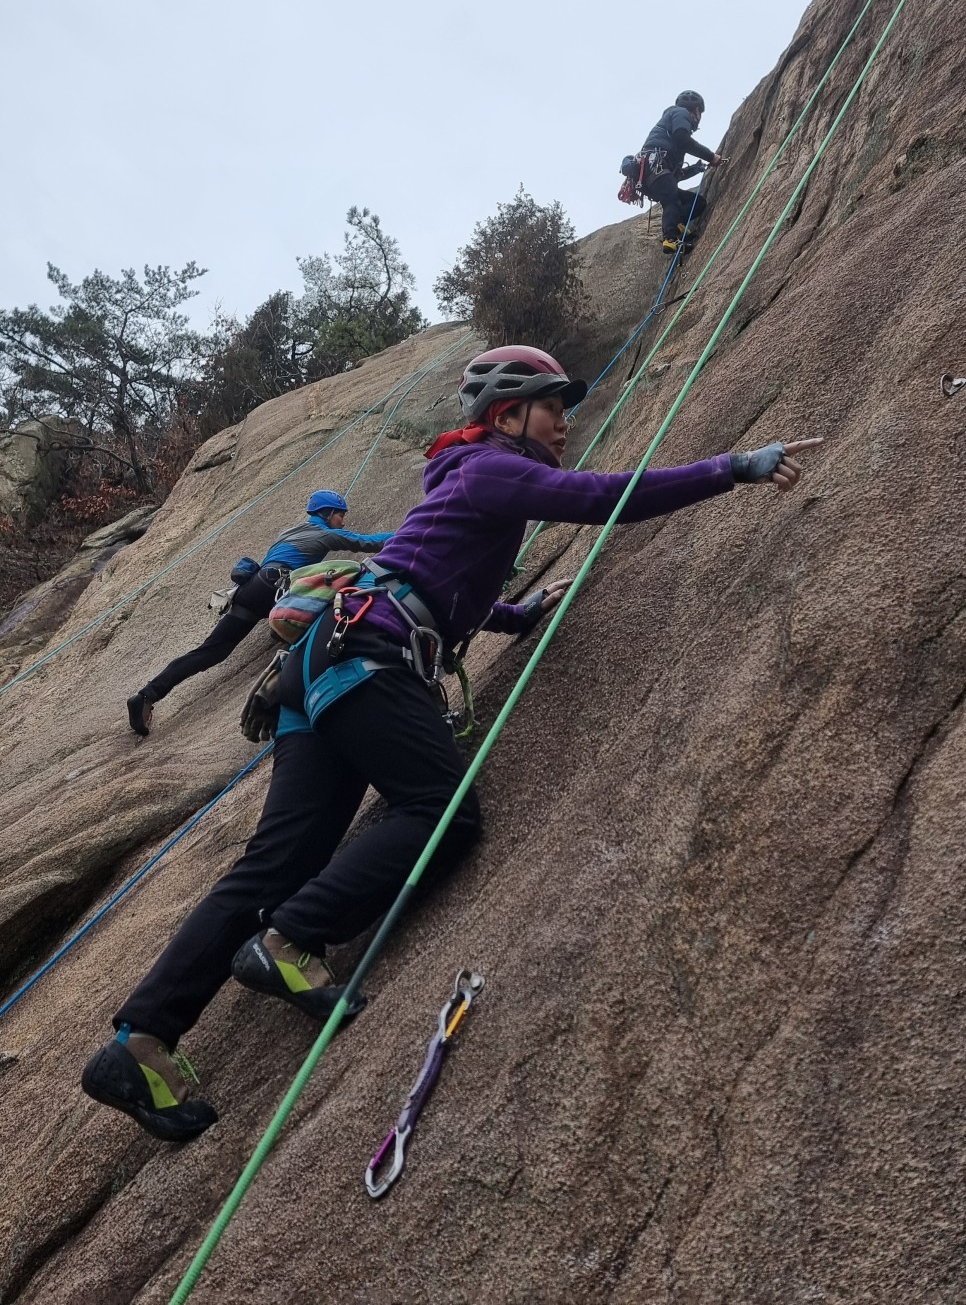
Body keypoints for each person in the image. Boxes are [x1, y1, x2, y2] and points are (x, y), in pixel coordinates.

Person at [84, 347, 820, 1141]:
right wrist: (733, 466)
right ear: (507, 416)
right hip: (368, 659)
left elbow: (436, 574)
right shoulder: (496, 467)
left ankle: (141, 1041)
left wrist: (513, 615)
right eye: (550, 407)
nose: (564, 423)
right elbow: (603, 497)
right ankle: (292, 939)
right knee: (441, 810)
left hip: (319, 665)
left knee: (275, 861)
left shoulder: (466, 480)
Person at [125, 490, 393, 736]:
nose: (343, 521)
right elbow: (364, 543)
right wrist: (405, 534)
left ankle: (147, 695)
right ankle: (283, 695)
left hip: (252, 588)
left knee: (212, 650)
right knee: (325, 612)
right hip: (276, 586)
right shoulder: (323, 535)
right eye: (340, 515)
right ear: (327, 513)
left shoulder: (288, 532)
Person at [637, 90, 723, 254]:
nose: (699, 118)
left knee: (698, 203)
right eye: (700, 113)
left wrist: (697, 168)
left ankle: (677, 224)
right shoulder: (680, 113)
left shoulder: (669, 132)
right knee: (672, 201)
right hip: (655, 166)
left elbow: (675, 175)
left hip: (656, 173)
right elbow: (682, 139)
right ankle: (670, 239)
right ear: (696, 110)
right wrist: (710, 156)